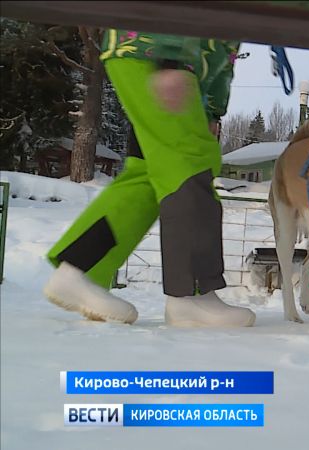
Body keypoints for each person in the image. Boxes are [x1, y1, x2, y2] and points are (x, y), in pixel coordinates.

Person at [43, 29, 255, 327]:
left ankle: (80, 270)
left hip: (168, 59)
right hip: (157, 50)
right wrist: (170, 57)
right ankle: (191, 296)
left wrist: (211, 110)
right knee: (190, 161)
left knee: (149, 171)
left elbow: (224, 42)